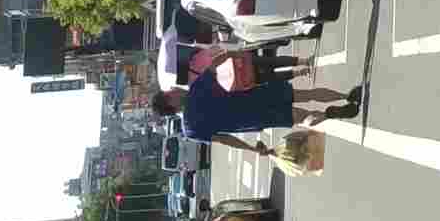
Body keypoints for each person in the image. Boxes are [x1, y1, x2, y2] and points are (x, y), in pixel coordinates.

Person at [153, 70, 356, 157]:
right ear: (170, 100)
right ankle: (346, 95)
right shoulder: (196, 88)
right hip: (257, 94)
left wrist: (252, 149)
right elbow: (221, 67)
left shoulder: (191, 130)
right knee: (306, 94)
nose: (174, 88)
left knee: (302, 117)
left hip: (256, 118)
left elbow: (225, 139)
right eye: (170, 91)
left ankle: (328, 115)